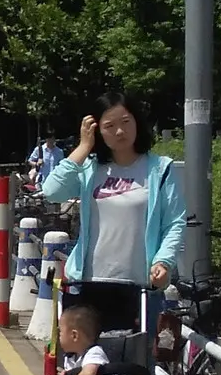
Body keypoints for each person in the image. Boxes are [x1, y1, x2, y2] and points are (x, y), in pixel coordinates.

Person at [41, 87, 185, 331]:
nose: (120, 131)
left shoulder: (160, 169)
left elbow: (174, 222)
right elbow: (52, 191)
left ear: (137, 122)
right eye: (109, 126)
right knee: (84, 366)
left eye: (126, 122)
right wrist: (83, 147)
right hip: (88, 284)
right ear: (98, 130)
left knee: (132, 364)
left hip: (138, 288)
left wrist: (164, 261)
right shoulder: (89, 168)